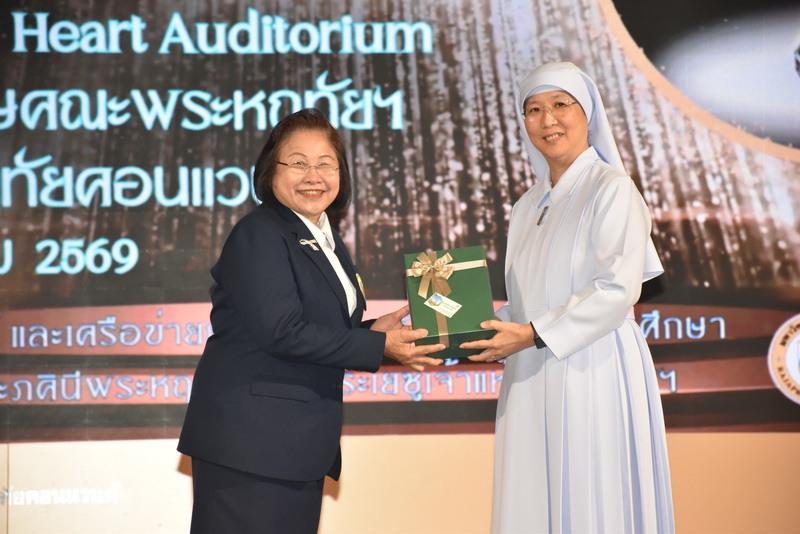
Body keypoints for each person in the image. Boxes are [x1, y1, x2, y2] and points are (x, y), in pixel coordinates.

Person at [178, 108, 443, 533]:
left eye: (325, 164)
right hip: (252, 445)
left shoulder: (323, 236)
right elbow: (282, 332)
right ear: (271, 170)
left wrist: (373, 332)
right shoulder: (260, 233)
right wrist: (377, 347)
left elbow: (315, 325)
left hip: (293, 445)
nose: (313, 176)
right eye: (298, 163)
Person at [461, 62, 674, 533]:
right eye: (534, 109)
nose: (548, 120)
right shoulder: (525, 205)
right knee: (532, 499)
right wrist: (467, 326)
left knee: (592, 496)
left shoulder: (612, 189)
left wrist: (532, 333)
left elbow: (616, 289)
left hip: (593, 364)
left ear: (588, 113)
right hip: (530, 370)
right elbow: (523, 302)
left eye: (561, 104)